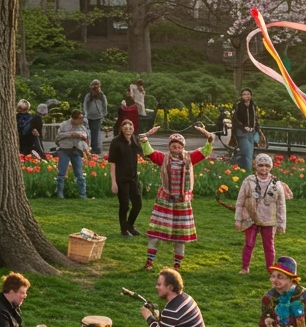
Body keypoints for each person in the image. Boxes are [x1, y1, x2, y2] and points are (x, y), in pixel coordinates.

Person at [140, 126, 214, 271]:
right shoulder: (163, 158)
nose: (176, 146)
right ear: (169, 146)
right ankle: (149, 262)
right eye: (173, 144)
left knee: (180, 236)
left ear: (183, 146)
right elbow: (148, 151)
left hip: (182, 202)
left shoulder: (190, 158)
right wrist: (145, 137)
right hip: (165, 200)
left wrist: (209, 137)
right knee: (155, 233)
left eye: (179, 144)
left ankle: (177, 265)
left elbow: (205, 150)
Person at [234, 152, 292, 274]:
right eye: (261, 165)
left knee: (269, 246)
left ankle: (270, 269)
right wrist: (238, 219)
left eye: (267, 165)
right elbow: (240, 200)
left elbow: (281, 205)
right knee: (249, 244)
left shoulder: (276, 184)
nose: (264, 168)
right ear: (256, 166)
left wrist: (282, 223)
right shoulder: (248, 181)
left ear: (270, 167)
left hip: (269, 219)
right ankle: (245, 268)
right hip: (250, 217)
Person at [108, 117, 159, 237]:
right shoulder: (116, 142)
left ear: (133, 129)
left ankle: (129, 225)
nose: (128, 129)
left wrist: (149, 134)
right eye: (125, 127)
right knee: (124, 205)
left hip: (133, 178)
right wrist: (113, 182)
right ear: (121, 129)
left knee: (138, 204)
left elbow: (142, 140)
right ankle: (124, 230)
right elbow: (112, 162)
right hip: (121, 179)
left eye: (130, 127)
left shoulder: (134, 140)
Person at [55, 109, 89, 198]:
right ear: (73, 118)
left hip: (76, 150)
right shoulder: (64, 125)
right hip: (64, 150)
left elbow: (85, 137)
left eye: (82, 118)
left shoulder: (82, 126)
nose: (81, 120)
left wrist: (86, 149)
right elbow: (58, 136)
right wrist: (70, 134)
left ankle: (82, 194)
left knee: (79, 174)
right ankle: (60, 194)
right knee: (61, 173)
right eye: (79, 118)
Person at [230, 88, 262, 172]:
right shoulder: (238, 105)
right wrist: (243, 126)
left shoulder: (253, 105)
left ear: (251, 96)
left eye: (248, 94)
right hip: (242, 132)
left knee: (250, 154)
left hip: (252, 132)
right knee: (247, 154)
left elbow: (255, 119)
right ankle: (248, 174)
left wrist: (258, 130)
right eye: (244, 94)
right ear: (241, 96)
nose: (246, 96)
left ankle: (241, 170)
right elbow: (235, 119)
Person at [83, 80, 109, 154]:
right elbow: (85, 105)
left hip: (98, 117)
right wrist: (85, 115)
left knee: (96, 133)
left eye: (97, 84)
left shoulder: (101, 95)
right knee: (88, 133)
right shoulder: (88, 95)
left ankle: (96, 149)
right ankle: (88, 148)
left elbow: (105, 105)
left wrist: (104, 113)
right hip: (89, 117)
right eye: (94, 84)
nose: (95, 86)